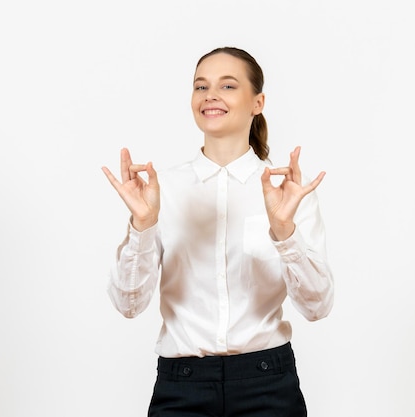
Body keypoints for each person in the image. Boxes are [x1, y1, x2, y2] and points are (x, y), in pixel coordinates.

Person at [101, 46, 334, 417]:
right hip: (182, 386)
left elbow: (317, 306)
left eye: (228, 86)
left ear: (257, 102)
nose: (210, 95)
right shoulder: (162, 190)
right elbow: (129, 305)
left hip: (268, 384)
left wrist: (285, 232)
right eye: (200, 86)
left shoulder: (287, 192)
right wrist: (142, 226)